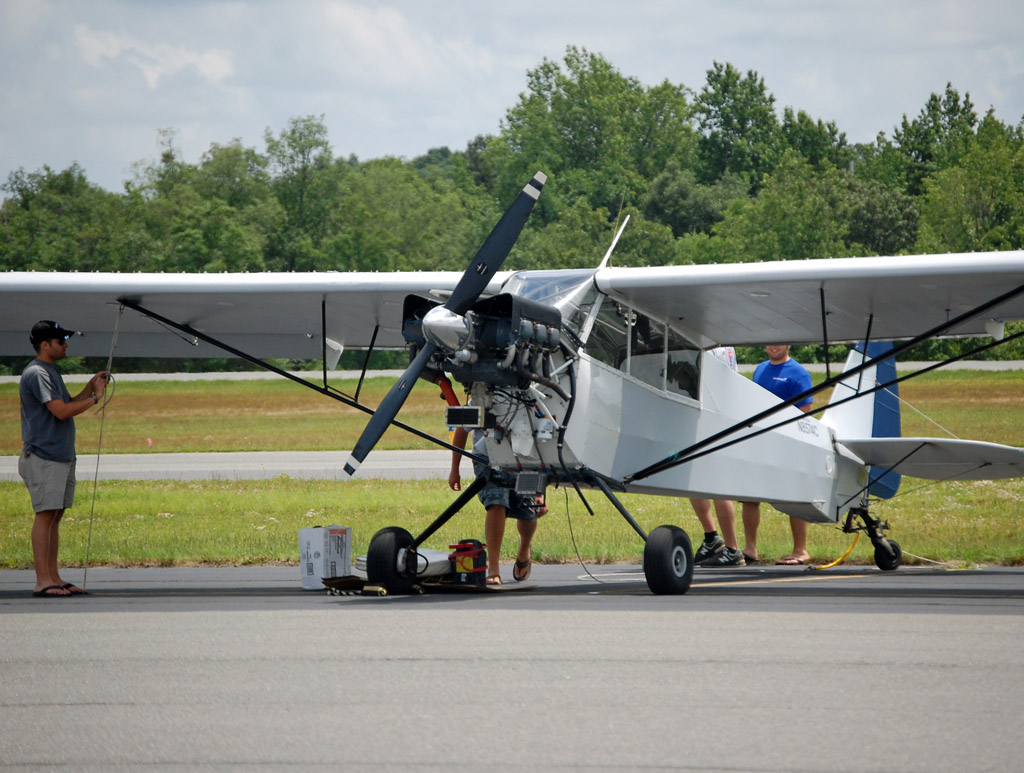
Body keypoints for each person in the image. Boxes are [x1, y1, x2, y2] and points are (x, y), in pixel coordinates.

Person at [19, 320, 107, 597]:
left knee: (55, 515)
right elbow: (60, 411)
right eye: (61, 341)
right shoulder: (37, 373)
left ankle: (54, 577)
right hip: (44, 456)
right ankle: (42, 580)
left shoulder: (50, 371)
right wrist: (95, 400)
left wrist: (90, 388)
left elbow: (67, 402)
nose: (66, 345)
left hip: (59, 455)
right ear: (45, 345)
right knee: (45, 515)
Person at [741, 344, 814, 566]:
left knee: (792, 497)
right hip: (761, 441)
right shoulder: (760, 369)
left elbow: (805, 414)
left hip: (787, 445)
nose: (774, 346)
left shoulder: (799, 374)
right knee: (749, 497)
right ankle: (750, 548)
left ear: (789, 344)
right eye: (771, 342)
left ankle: (801, 550)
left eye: (779, 342)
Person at [449, 426, 546, 586]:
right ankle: (493, 569)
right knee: (496, 503)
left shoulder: (533, 402)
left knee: (527, 511)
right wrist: (455, 470)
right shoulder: (482, 400)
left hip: (523, 456)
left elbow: (543, 436)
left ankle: (525, 547)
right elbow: (461, 428)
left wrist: (540, 491)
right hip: (487, 455)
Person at [692, 346, 744, 567]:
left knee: (717, 485)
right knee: (692, 480)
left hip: (714, 414)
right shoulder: (724, 344)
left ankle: (732, 549)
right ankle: (711, 536)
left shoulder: (714, 345)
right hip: (705, 411)